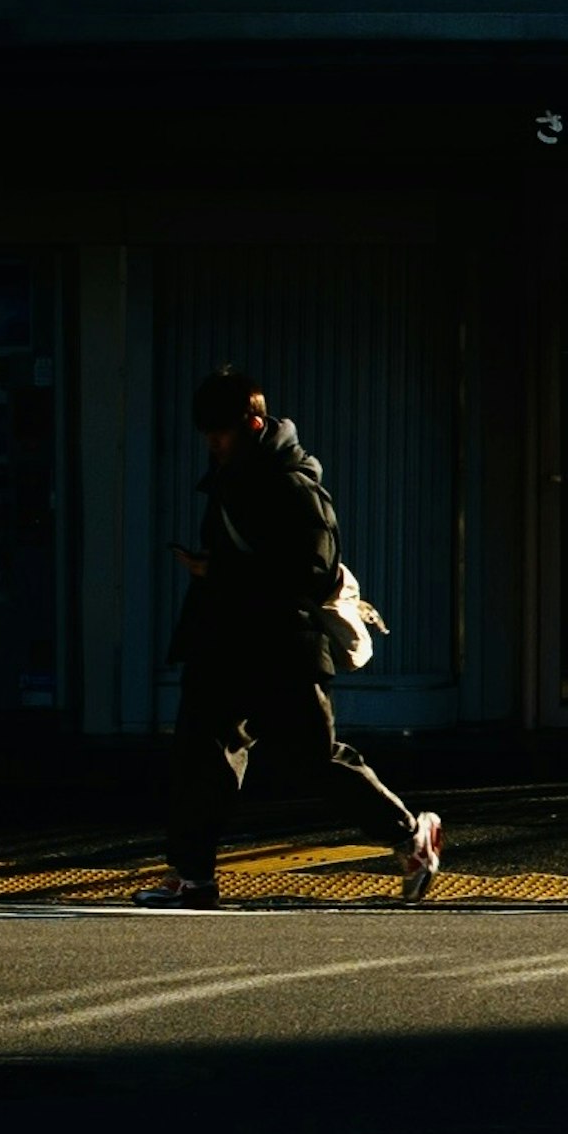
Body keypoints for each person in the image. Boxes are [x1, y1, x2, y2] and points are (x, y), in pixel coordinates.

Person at [140, 368, 442, 909]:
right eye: (207, 432)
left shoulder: (292, 486)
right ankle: (192, 876)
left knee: (314, 757)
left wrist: (219, 573)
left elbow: (314, 574)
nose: (212, 442)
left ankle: (409, 833)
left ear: (253, 424)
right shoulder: (235, 477)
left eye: (221, 431)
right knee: (201, 754)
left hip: (280, 644)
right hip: (226, 640)